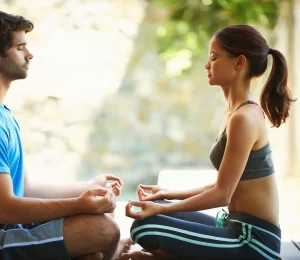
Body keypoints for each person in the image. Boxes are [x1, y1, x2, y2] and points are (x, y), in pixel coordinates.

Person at [0, 10, 132, 260]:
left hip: (3, 230)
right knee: (102, 229)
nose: (29, 54)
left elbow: (26, 187)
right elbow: (7, 209)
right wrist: (79, 204)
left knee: (95, 243)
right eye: (20, 47)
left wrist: (88, 187)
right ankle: (116, 253)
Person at [120, 24, 296, 260]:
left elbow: (222, 195)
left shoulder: (245, 118)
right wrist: (168, 194)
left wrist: (163, 208)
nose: (207, 64)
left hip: (254, 243)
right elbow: (222, 186)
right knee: (154, 211)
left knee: (146, 227)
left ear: (239, 63)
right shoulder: (235, 112)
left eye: (214, 57)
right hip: (233, 227)